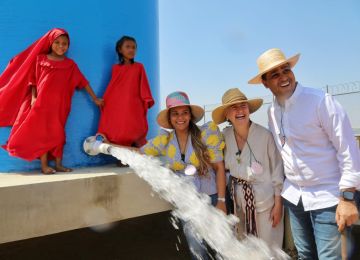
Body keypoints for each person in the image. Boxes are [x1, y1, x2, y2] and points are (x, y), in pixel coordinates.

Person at [248, 48, 360, 259]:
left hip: (329, 198)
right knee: (305, 255)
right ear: (265, 83)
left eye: (286, 70)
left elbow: (348, 150)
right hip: (295, 198)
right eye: (275, 74)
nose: (283, 77)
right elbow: (283, 153)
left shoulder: (320, 101)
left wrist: (347, 198)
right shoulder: (272, 112)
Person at [101, 91, 226, 259]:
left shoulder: (205, 134)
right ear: (170, 118)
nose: (180, 117)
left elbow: (219, 167)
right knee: (196, 247)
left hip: (211, 197)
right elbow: (140, 152)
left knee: (220, 246)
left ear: (190, 115)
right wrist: (108, 146)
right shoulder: (165, 141)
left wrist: (222, 201)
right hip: (186, 200)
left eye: (184, 113)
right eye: (175, 113)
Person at [0, 28, 104, 174]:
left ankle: (58, 164)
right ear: (50, 42)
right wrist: (34, 97)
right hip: (41, 104)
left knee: (59, 134)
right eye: (57, 42)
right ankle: (44, 166)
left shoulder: (70, 65)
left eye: (65, 44)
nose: (61, 46)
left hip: (61, 106)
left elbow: (83, 82)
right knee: (43, 134)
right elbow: (33, 80)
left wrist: (94, 98)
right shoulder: (40, 60)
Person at [212, 88, 284, 247]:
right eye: (233, 107)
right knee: (244, 247)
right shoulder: (225, 136)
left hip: (266, 204)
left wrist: (278, 204)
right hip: (237, 204)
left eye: (243, 106)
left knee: (268, 249)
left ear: (249, 109)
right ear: (226, 115)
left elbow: (278, 170)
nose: (239, 110)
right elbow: (219, 165)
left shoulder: (265, 135)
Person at [97, 36, 154, 166]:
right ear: (120, 49)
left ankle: (135, 154)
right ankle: (122, 157)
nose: (131, 49)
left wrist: (146, 99)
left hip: (135, 104)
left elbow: (143, 84)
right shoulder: (115, 68)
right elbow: (114, 86)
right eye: (128, 47)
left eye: (134, 47)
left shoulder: (139, 67)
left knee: (135, 128)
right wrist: (105, 100)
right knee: (120, 128)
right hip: (120, 104)